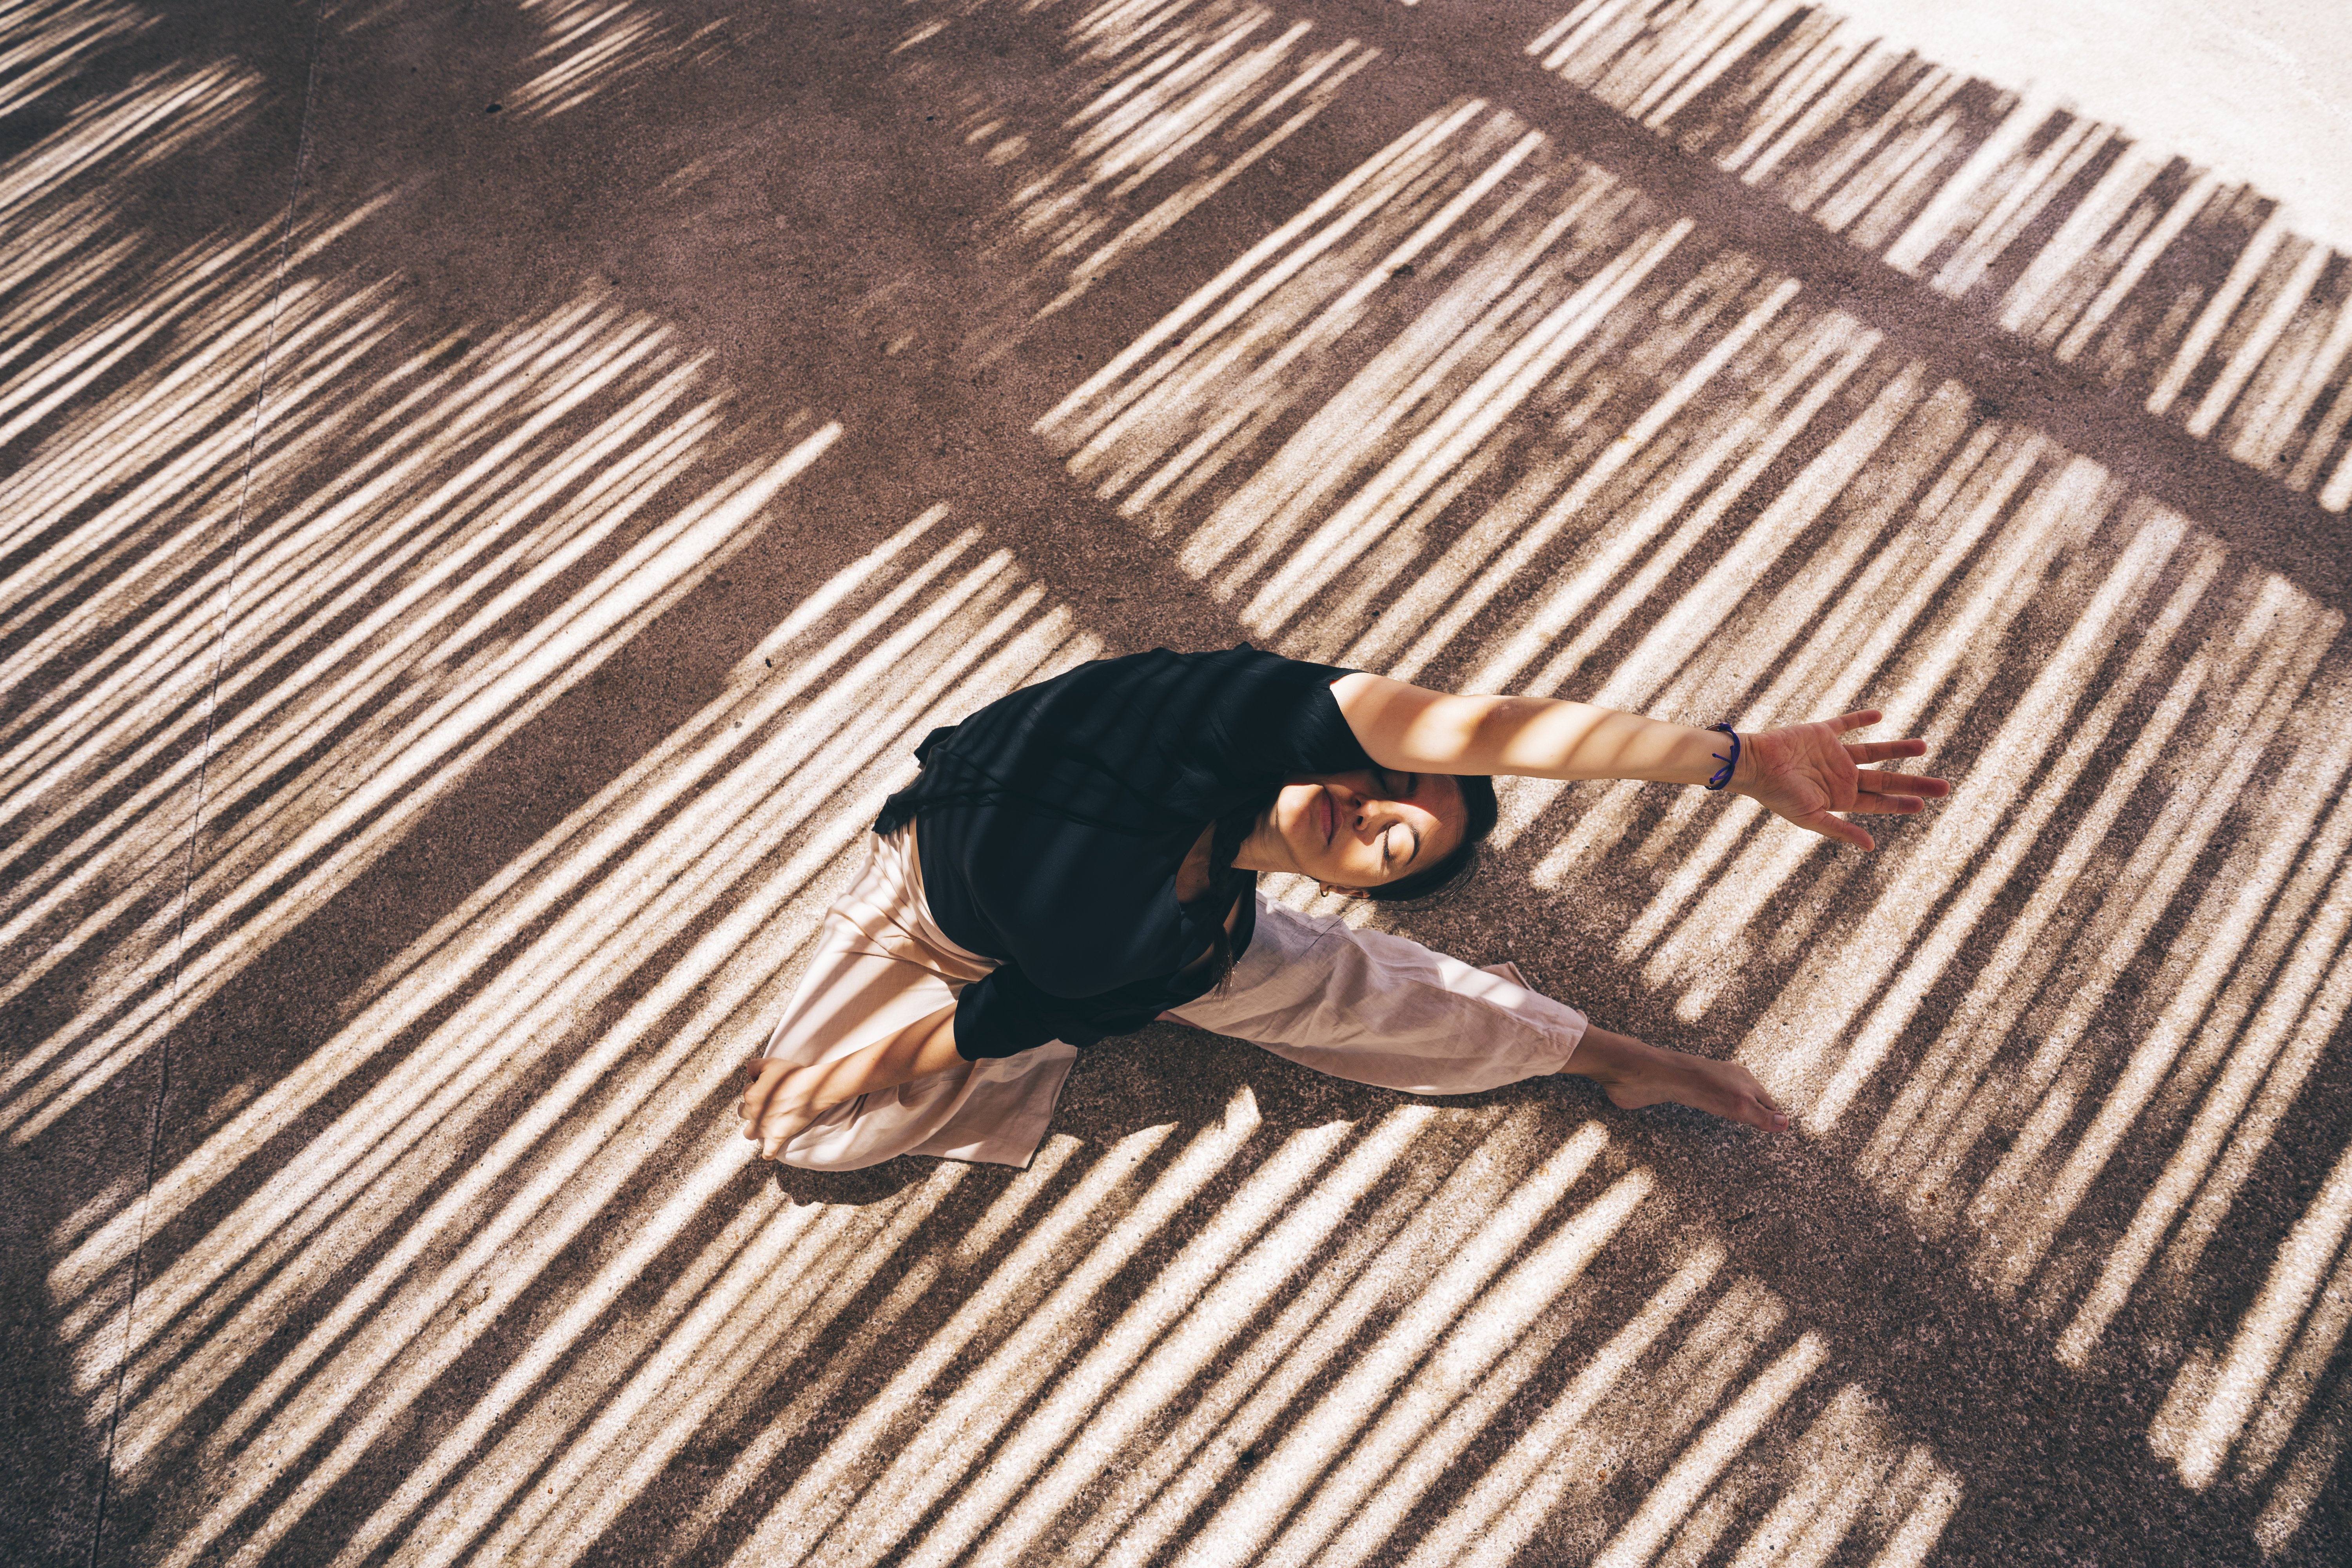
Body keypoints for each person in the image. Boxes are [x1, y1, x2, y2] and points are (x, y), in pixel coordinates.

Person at [738, 645, 1947, 1168]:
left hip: (1132, 957)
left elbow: (1008, 1016)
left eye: (1396, 843)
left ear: (1353, 881)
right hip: (930, 906)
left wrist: (860, 1066)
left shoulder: (1167, 949)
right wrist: (1731, 760)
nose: (1373, 810)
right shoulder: (1202, 720)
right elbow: (1477, 728)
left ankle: (1629, 1061)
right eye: (1389, 780)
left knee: (1338, 991)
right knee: (805, 1135)